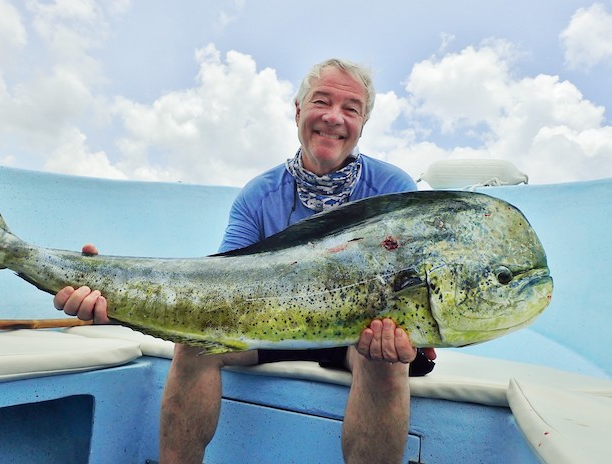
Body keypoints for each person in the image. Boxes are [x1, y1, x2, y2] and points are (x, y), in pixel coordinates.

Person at [54, 58, 437, 464]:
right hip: (268, 330)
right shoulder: (258, 194)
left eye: (351, 109)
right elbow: (217, 283)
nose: (333, 117)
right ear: (298, 110)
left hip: (352, 336)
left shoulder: (395, 189)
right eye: (321, 101)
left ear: (363, 123)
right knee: (195, 346)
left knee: (384, 362)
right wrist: (113, 296)